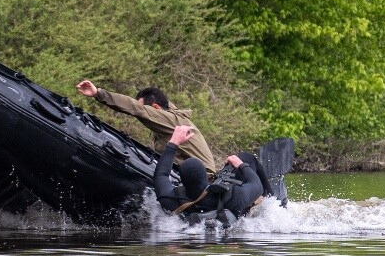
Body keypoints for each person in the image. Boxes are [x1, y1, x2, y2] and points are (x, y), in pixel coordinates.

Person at [76, 79, 217, 174]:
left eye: (147, 109)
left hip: (202, 180)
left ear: (155, 107)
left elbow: (136, 109)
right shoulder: (166, 123)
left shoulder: (173, 121)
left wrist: (98, 94)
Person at [155, 125, 264, 227]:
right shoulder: (234, 195)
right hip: (233, 231)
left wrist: (174, 142)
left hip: (196, 230)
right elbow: (257, 185)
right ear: (205, 175)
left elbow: (161, 175)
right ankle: (273, 197)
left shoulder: (170, 200)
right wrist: (241, 165)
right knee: (246, 157)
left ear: (182, 179)